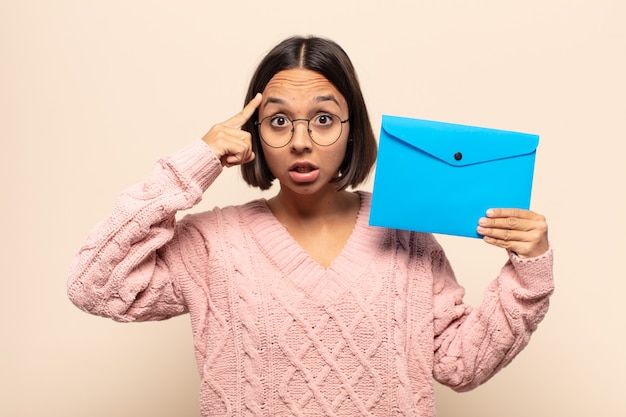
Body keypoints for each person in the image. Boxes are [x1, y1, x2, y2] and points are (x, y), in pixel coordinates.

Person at [67, 36, 554, 417]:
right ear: (252, 132)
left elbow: (458, 364)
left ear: (352, 128)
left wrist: (528, 273)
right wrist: (197, 162)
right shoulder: (213, 245)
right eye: (279, 121)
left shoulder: (405, 235)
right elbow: (94, 285)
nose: (301, 140)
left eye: (323, 118)